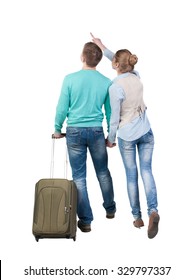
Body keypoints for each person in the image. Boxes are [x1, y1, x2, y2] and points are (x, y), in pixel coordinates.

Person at [91, 33, 160, 239]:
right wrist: (102, 46)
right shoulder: (136, 75)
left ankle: (137, 217)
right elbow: (122, 61)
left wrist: (110, 139)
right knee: (146, 171)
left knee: (132, 176)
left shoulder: (115, 87)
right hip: (146, 131)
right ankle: (153, 211)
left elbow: (114, 120)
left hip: (127, 136)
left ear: (114, 65)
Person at [53, 41, 116, 233]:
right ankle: (110, 209)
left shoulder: (70, 79)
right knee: (103, 172)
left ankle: (86, 221)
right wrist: (111, 137)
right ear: (98, 60)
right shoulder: (107, 82)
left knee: (79, 178)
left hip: (74, 132)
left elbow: (62, 108)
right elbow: (110, 113)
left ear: (82, 57)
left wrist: (57, 128)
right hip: (96, 132)